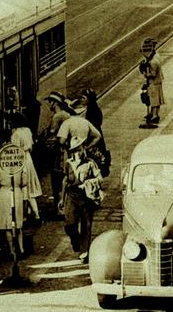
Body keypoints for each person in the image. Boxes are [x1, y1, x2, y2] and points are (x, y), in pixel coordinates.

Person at [59, 136, 103, 264]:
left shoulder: (90, 163)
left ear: (84, 148)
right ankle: (75, 241)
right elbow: (65, 181)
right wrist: (62, 199)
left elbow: (100, 178)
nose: (78, 152)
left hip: (86, 197)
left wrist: (89, 182)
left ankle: (85, 252)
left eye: (80, 149)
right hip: (72, 196)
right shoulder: (68, 163)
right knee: (69, 224)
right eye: (75, 150)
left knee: (86, 225)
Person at [0, 155, 28, 259]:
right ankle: (21, 249)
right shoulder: (21, 165)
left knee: (7, 224)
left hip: (4, 194)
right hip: (17, 193)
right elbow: (24, 182)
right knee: (18, 223)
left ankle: (11, 250)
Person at [9, 113, 42, 222]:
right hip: (28, 158)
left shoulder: (15, 134)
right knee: (29, 188)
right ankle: (32, 214)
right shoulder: (27, 130)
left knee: (24, 188)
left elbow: (15, 151)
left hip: (21, 161)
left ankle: (28, 215)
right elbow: (31, 147)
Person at [44, 91, 71, 217]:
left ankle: (59, 208)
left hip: (58, 152)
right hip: (66, 150)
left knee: (57, 180)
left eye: (50, 101)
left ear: (55, 103)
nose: (49, 104)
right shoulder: (66, 114)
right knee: (64, 178)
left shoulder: (57, 116)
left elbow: (52, 133)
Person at [139, 37, 165, 124]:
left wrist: (144, 73)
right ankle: (153, 113)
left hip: (154, 82)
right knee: (155, 99)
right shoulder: (156, 56)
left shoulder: (153, 62)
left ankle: (155, 116)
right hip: (157, 81)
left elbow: (152, 75)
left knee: (154, 100)